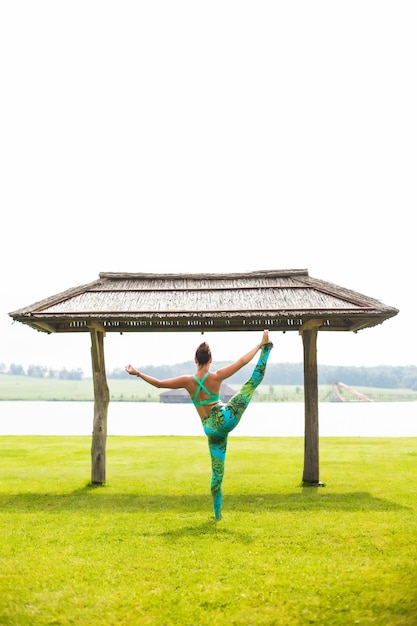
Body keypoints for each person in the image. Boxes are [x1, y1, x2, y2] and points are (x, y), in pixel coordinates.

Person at [125, 330, 273, 521]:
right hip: (224, 419)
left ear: (195, 359)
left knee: (217, 473)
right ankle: (267, 350)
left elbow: (159, 384)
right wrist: (259, 346)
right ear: (211, 359)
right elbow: (243, 361)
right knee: (251, 384)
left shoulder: (188, 381)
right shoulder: (216, 376)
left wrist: (137, 373)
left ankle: (217, 516)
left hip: (210, 430)